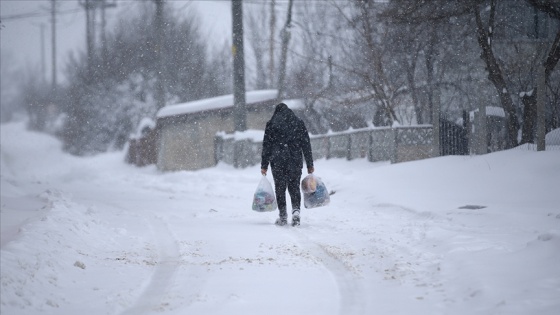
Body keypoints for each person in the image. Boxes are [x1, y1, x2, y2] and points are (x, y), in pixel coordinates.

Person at [261, 103, 314, 226]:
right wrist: (309, 164)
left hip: (277, 161)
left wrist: (264, 165)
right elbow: (306, 144)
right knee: (294, 187)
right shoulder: (299, 123)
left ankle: (283, 215)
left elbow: (266, 147)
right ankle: (296, 212)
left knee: (280, 188)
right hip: (295, 160)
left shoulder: (271, 124)